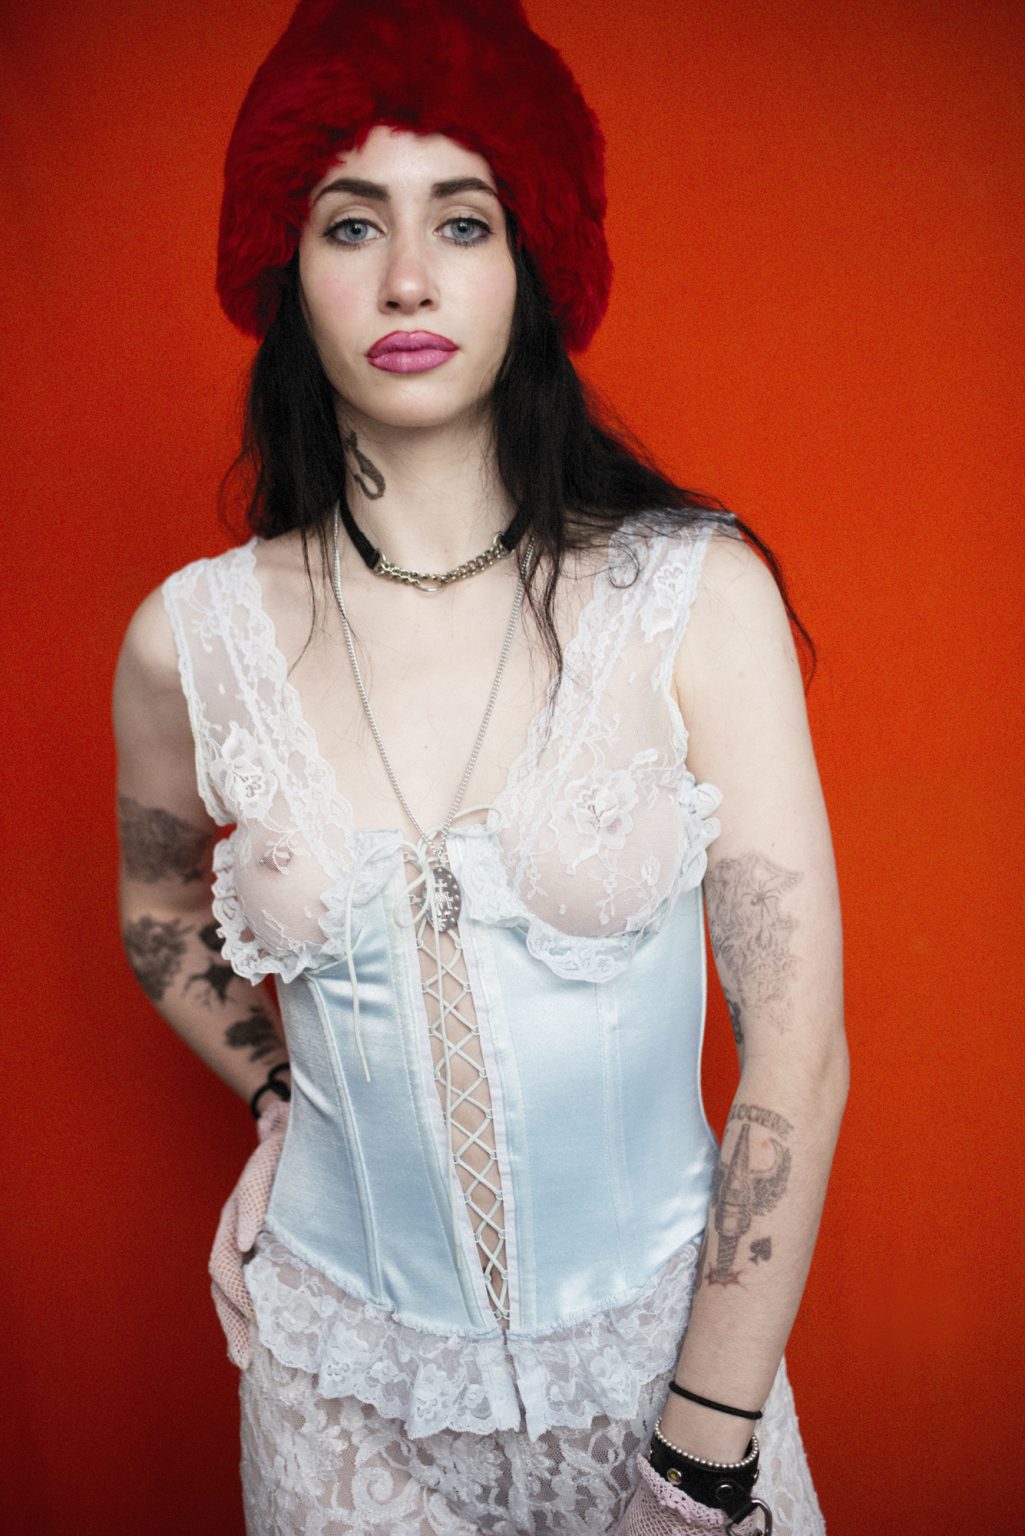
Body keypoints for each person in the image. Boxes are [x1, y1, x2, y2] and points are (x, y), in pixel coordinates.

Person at [112, 1, 848, 1531]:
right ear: (285, 268)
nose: (406, 277)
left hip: (663, 1387)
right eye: (349, 222)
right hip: (334, 1401)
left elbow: (795, 1046)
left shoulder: (689, 596)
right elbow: (158, 912)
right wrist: (278, 1101)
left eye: (462, 220)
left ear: (531, 263)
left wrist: (704, 1451)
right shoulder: (192, 639)